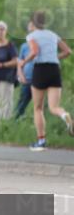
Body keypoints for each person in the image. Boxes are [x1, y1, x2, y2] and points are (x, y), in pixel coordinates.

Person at [18, 11, 73, 151]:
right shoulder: (53, 34)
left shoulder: (31, 36)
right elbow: (67, 51)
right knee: (54, 107)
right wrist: (54, 58)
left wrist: (24, 61)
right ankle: (64, 115)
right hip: (54, 69)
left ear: (33, 22)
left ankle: (41, 142)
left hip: (40, 70)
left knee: (38, 108)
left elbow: (35, 51)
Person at [14, 20, 35, 120]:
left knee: (41, 104)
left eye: (33, 26)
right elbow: (19, 63)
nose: (31, 28)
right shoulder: (24, 46)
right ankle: (15, 120)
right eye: (30, 26)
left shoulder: (43, 45)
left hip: (40, 79)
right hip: (27, 79)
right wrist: (20, 75)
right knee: (22, 102)